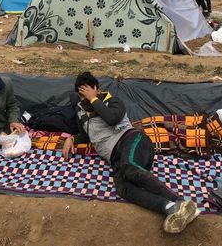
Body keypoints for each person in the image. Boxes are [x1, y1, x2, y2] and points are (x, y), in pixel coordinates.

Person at [62, 72, 199, 234]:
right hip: (116, 157)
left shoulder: (112, 101)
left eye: (87, 93)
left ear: (97, 90)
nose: (84, 99)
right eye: (81, 95)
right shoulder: (82, 112)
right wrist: (72, 138)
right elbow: (87, 135)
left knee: (128, 167)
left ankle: (181, 201)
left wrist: (94, 99)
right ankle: (171, 208)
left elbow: (112, 118)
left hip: (133, 140)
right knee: (122, 188)